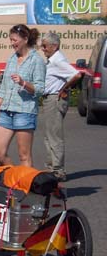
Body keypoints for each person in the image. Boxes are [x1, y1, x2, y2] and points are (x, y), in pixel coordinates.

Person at [0, 24, 46, 168]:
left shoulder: (36, 60)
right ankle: (14, 178)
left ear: (25, 39)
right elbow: (4, 87)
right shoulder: (12, 59)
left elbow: (40, 89)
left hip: (24, 111)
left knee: (24, 155)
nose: (12, 43)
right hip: (6, 110)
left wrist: (23, 83)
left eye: (15, 40)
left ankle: (24, 187)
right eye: (11, 40)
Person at [40, 31, 82, 182]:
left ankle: (58, 170)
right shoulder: (53, 60)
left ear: (54, 46)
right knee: (49, 135)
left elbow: (76, 75)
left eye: (44, 46)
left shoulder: (58, 60)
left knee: (54, 135)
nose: (42, 48)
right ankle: (52, 166)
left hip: (54, 99)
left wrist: (64, 88)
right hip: (49, 98)